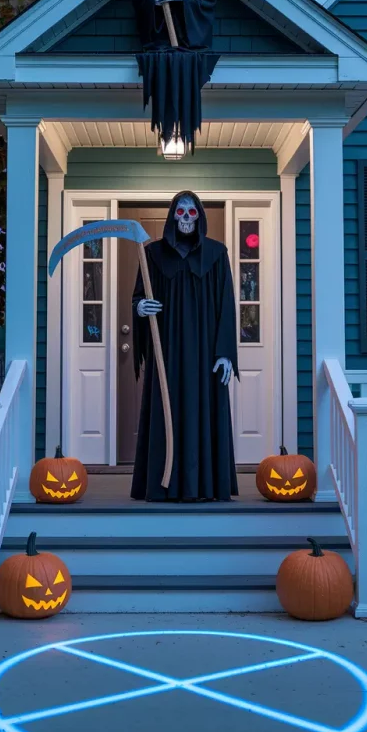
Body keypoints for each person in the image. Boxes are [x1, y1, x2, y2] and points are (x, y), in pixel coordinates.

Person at [131, 191, 239, 502]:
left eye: (192, 213)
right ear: (171, 217)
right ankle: (162, 483)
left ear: (200, 217)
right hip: (166, 353)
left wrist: (225, 353)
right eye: (180, 212)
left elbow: (226, 306)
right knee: (165, 410)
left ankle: (204, 485)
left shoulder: (217, 255)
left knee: (203, 408)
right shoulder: (152, 255)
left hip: (206, 355)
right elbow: (139, 296)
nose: (186, 218)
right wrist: (140, 308)